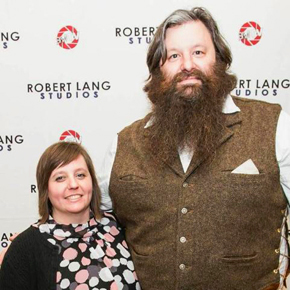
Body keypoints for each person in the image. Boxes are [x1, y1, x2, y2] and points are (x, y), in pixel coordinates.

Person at [97, 7, 290, 290]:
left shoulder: (274, 125)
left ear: (219, 60)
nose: (187, 65)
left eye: (198, 52)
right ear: (157, 71)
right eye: (174, 56)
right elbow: (90, 217)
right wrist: (35, 243)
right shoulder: (124, 143)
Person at [0, 142, 140, 290]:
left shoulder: (118, 226)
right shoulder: (26, 248)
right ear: (45, 189)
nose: (73, 184)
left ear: (92, 181)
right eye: (60, 178)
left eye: (80, 175)